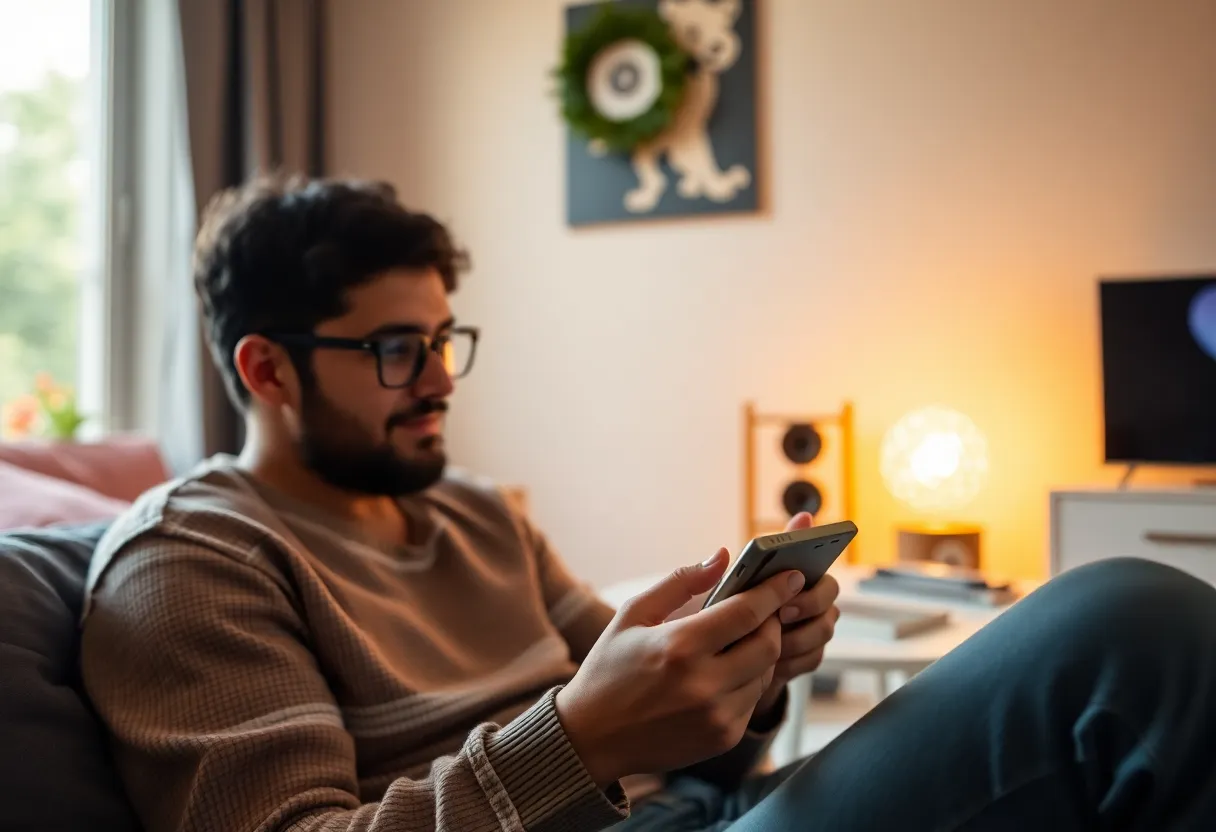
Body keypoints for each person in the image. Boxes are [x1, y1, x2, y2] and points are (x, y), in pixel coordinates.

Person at [80, 176, 1216, 832]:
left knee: (1118, 657)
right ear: (266, 370)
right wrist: (577, 733)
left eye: (440, 339)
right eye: (393, 349)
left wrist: (746, 674)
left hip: (695, 816)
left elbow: (674, 737)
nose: (438, 378)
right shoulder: (193, 558)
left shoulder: (474, 514)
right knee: (1121, 629)